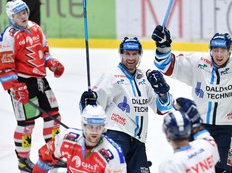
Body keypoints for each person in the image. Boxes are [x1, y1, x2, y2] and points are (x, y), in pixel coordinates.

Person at [151, 25, 232, 172]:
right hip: (198, 128)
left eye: (223, 50)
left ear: (229, 50)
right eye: (215, 50)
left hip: (226, 130)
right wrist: (163, 46)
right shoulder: (197, 63)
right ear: (210, 50)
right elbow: (165, 65)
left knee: (223, 170)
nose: (219, 54)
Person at [80, 37, 173, 173]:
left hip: (138, 142)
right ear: (121, 54)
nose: (131, 58)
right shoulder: (111, 76)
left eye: (134, 54)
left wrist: (163, 93)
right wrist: (87, 102)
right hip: (115, 137)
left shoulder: (144, 78)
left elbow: (162, 108)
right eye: (127, 54)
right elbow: (93, 110)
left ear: (139, 55)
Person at [0, 0, 64, 172]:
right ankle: (23, 160)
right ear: (11, 16)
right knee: (26, 124)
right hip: (21, 83)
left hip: (40, 81)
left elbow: (44, 52)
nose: (24, 15)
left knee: (53, 117)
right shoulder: (8, 36)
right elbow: (5, 67)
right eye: (19, 13)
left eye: (25, 11)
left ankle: (52, 154)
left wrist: (52, 63)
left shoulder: (36, 28)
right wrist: (15, 87)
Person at [32, 104, 127, 173]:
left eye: (98, 127)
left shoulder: (113, 154)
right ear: (83, 125)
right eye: (91, 127)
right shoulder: (67, 138)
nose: (94, 132)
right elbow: (45, 158)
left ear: (104, 127)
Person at [159, 97, 220, 173]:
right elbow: (201, 131)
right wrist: (195, 118)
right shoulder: (207, 145)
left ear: (166, 134)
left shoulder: (169, 166)